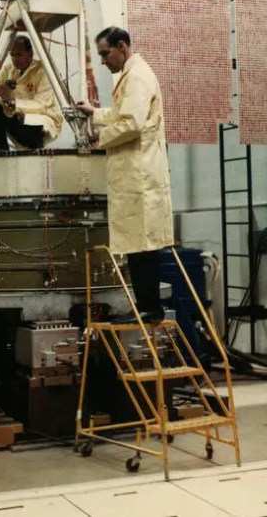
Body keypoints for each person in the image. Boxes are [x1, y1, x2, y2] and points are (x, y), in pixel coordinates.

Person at [75, 27, 173, 323]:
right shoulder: (131, 76)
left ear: (121, 46)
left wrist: (98, 138)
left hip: (139, 174)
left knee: (142, 245)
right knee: (137, 243)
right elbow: (122, 113)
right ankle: (146, 306)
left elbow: (131, 123)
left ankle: (149, 308)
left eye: (105, 54)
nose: (103, 61)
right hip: (135, 173)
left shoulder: (138, 77)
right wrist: (94, 112)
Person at [0, 34, 63, 150]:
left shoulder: (44, 71)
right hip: (15, 118)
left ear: (30, 54)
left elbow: (42, 105)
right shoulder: (9, 69)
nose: (15, 59)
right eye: (12, 55)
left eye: (19, 55)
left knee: (21, 119)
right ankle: (1, 150)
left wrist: (12, 102)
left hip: (40, 121)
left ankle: (34, 145)